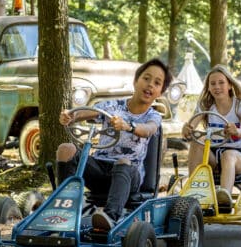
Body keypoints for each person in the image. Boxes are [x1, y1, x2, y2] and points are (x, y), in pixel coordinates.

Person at [56, 58, 173, 231]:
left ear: (160, 92)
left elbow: (148, 129)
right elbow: (86, 112)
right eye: (146, 78)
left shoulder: (153, 115)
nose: (149, 85)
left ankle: (109, 217)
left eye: (156, 83)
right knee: (66, 149)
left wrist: (129, 126)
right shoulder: (112, 106)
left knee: (123, 161)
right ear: (136, 81)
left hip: (129, 175)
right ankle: (63, 209)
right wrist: (70, 116)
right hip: (100, 171)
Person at [182, 64, 241, 206]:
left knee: (228, 155)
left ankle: (224, 196)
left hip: (237, 157)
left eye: (221, 82)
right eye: (213, 83)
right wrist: (186, 129)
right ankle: (193, 189)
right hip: (213, 156)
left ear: (229, 85)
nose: (217, 87)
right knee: (198, 141)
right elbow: (191, 127)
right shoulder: (206, 105)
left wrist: (237, 131)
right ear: (208, 87)